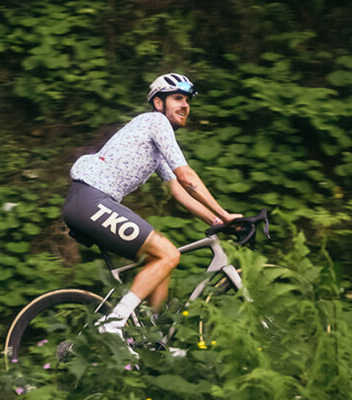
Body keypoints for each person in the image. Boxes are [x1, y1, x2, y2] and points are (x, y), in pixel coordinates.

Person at [61, 73, 241, 357]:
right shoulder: (156, 122)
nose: (185, 105)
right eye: (178, 98)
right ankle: (113, 323)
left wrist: (217, 222)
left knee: (161, 259)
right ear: (159, 103)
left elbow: (179, 191)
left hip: (90, 202)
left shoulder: (157, 146)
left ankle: (153, 341)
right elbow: (188, 178)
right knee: (169, 254)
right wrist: (225, 214)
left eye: (187, 100)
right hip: (91, 199)